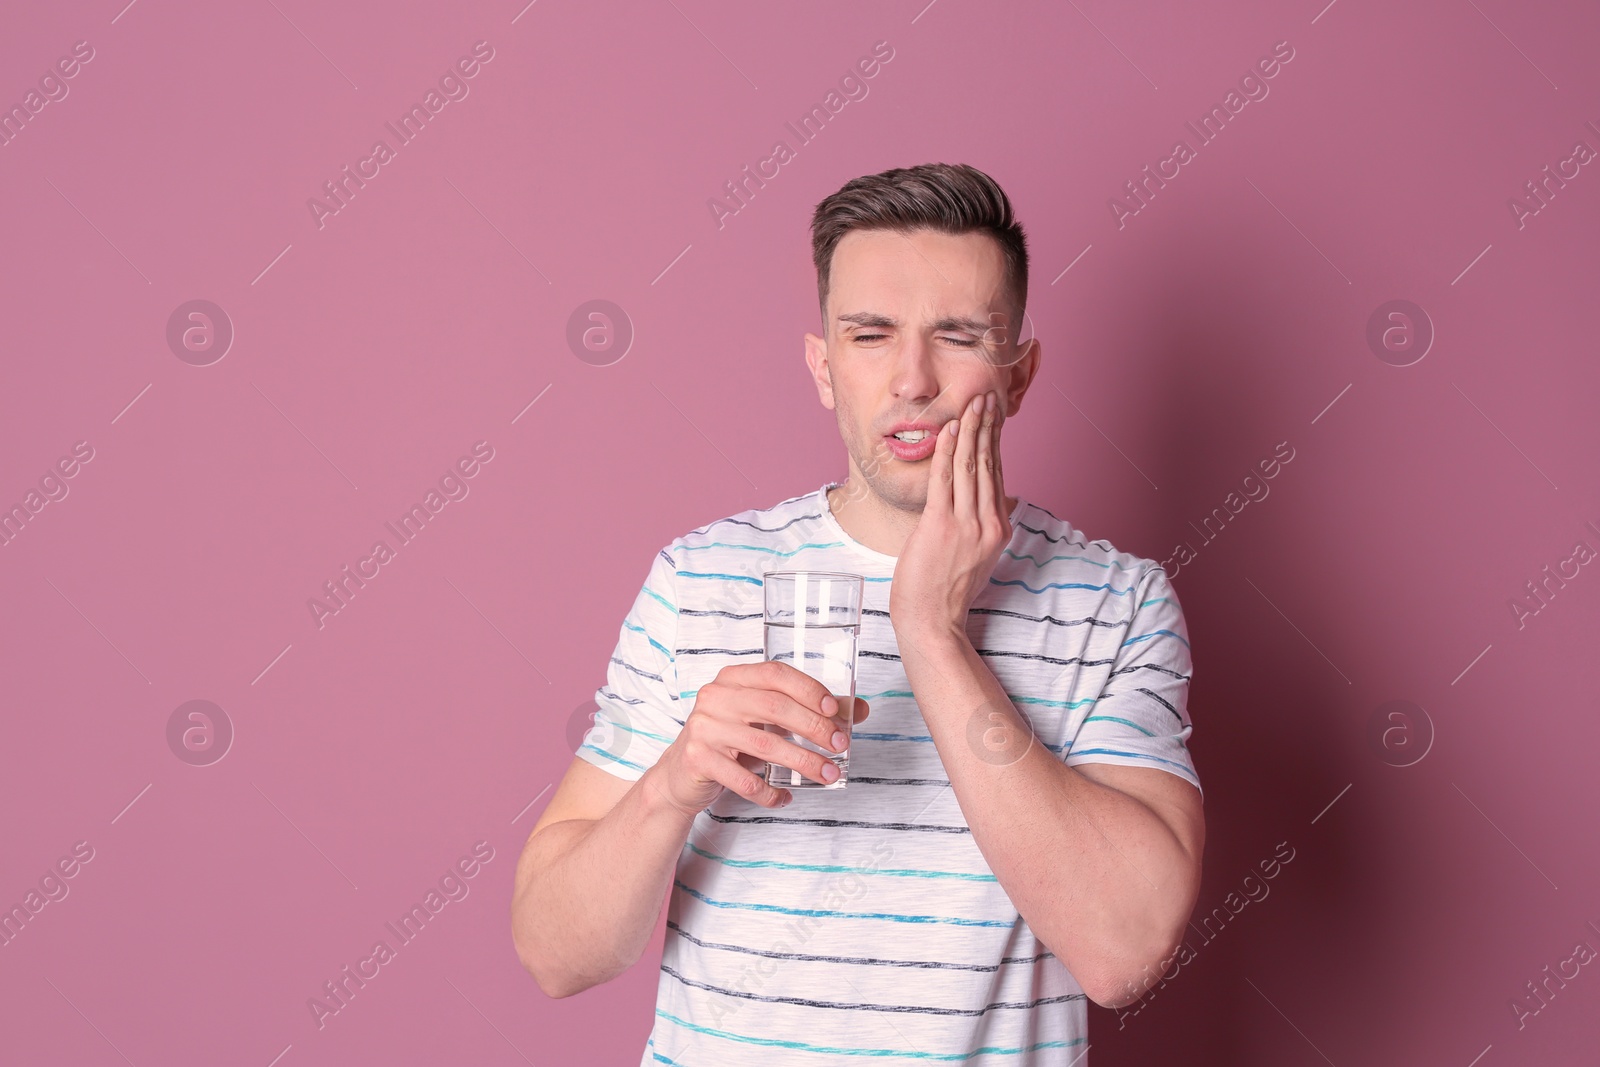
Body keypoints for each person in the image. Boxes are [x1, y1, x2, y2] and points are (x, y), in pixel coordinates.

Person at [511, 162, 1205, 1065]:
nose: (912, 380)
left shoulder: (1118, 603)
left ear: (1020, 372)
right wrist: (677, 778)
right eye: (871, 335)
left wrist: (931, 630)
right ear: (825, 367)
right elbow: (554, 953)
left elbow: (1123, 951)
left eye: (957, 335)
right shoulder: (700, 579)